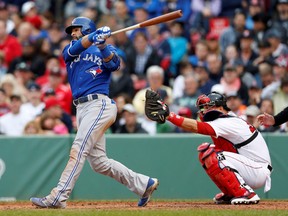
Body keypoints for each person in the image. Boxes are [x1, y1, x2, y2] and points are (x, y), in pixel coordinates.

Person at [30, 16, 158, 208]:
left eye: (76, 29)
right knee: (99, 163)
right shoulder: (70, 49)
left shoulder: (104, 48)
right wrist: (92, 38)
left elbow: (114, 64)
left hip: (99, 104)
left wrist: (103, 45)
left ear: (87, 28)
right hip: (82, 108)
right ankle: (144, 184)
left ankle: (58, 196)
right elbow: (71, 51)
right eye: (71, 30)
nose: (72, 33)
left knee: (78, 148)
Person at [145, 90, 272, 205]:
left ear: (221, 108)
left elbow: (198, 127)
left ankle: (247, 194)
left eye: (209, 106)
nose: (205, 110)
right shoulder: (225, 120)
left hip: (257, 170)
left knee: (212, 153)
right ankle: (231, 193)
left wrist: (170, 116)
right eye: (203, 107)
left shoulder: (228, 121)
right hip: (251, 167)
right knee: (207, 153)